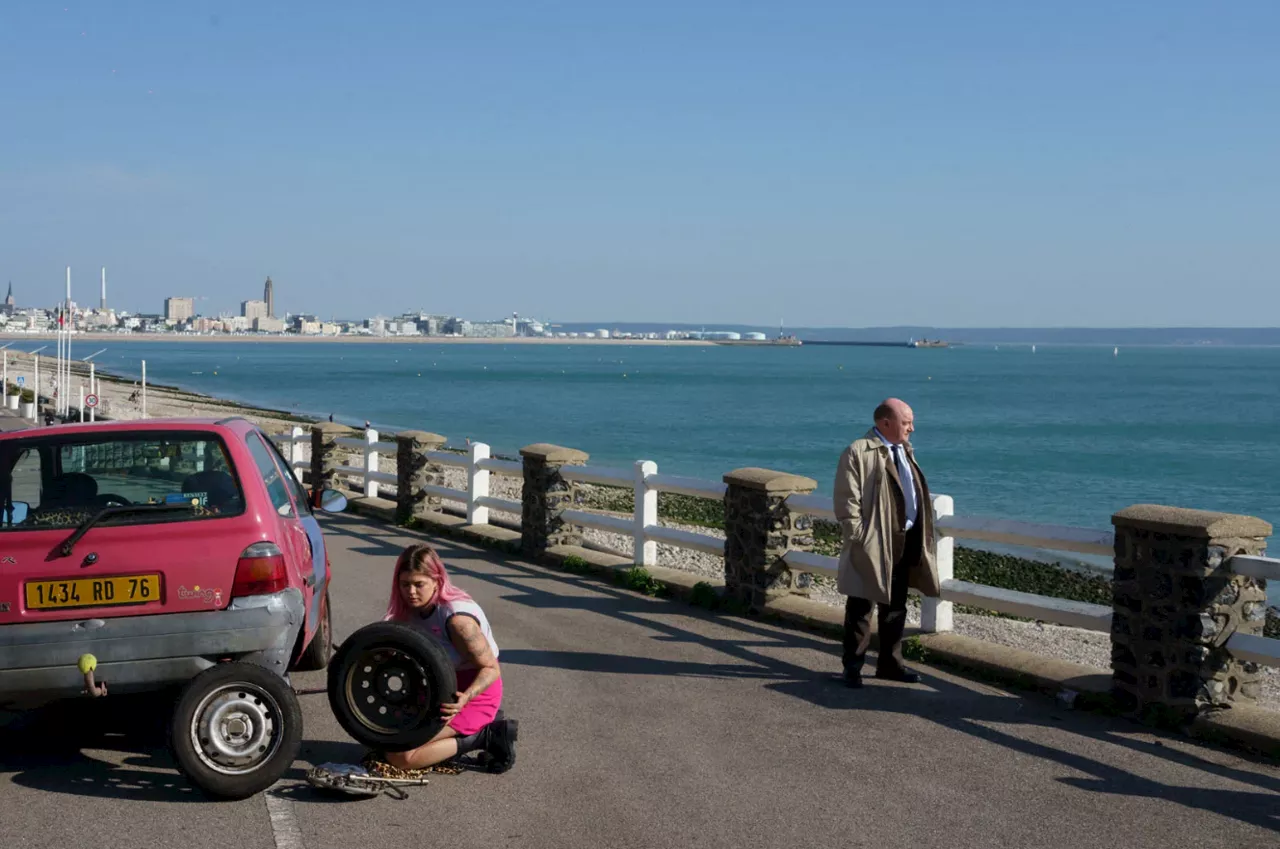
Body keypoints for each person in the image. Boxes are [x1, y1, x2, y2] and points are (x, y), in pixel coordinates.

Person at [381, 543, 518, 772]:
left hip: (471, 695)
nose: (411, 592)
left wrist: (466, 697)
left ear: (437, 580)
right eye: (405, 584)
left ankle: (485, 734)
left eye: (419, 584)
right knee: (384, 738)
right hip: (436, 689)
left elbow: (491, 670)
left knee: (401, 758)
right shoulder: (406, 612)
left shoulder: (458, 622)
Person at [833, 398, 940, 688]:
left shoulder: (904, 449)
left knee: (896, 606)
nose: (912, 428)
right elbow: (847, 499)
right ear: (885, 423)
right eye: (906, 423)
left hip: (906, 539)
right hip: (873, 542)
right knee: (861, 605)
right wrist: (859, 537)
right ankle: (852, 668)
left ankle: (890, 665)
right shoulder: (858, 451)